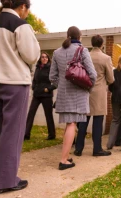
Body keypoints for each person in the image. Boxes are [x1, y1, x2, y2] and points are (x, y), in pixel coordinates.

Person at [0, 0, 40, 194]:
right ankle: (6, 180)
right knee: (13, 132)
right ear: (23, 7)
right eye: (27, 9)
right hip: (15, 83)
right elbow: (32, 55)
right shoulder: (20, 25)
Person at [49, 26, 97, 170]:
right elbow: (93, 74)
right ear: (80, 37)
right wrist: (88, 87)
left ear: (68, 36)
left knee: (68, 124)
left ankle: (66, 155)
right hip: (78, 94)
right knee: (72, 124)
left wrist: (62, 85)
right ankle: (63, 160)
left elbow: (52, 77)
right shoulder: (82, 50)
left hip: (63, 94)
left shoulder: (57, 52)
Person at [74, 35, 114, 157]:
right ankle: (97, 149)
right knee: (98, 122)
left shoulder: (85, 56)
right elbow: (111, 79)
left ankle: (78, 148)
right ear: (102, 44)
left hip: (86, 91)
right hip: (99, 92)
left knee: (83, 122)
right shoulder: (106, 58)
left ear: (92, 43)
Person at [24, 52, 56, 140]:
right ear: (40, 59)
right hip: (37, 94)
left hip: (46, 95)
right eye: (42, 57)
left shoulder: (51, 68)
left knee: (48, 115)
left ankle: (52, 135)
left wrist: (49, 89)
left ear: (48, 59)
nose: (44, 59)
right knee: (31, 113)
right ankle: (26, 134)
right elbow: (34, 79)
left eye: (46, 57)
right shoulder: (38, 67)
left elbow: (57, 81)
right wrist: (34, 87)